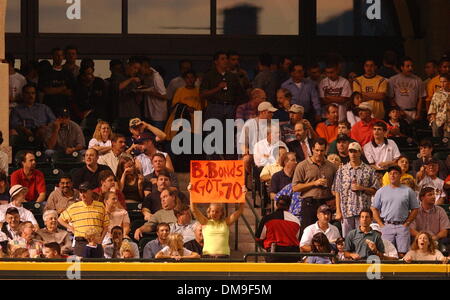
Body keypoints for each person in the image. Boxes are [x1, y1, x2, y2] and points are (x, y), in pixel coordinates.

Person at [371, 166, 420, 256]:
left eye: (395, 173)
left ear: (400, 175)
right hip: (387, 225)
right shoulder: (381, 191)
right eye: (390, 174)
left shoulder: (408, 191)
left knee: (403, 254)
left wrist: (407, 223)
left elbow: (415, 209)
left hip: (402, 225)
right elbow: (374, 209)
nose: (392, 175)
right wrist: (381, 224)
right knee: (387, 253)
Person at [333, 142, 379, 237]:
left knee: (362, 238)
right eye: (350, 152)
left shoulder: (369, 170)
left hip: (363, 212)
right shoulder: (341, 170)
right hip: (346, 211)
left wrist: (361, 188)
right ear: (348, 153)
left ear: (360, 153)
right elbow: (337, 191)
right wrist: (338, 211)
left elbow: (375, 190)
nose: (353, 154)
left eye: (355, 151)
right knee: (347, 239)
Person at [292, 138, 338, 230]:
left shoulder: (332, 167)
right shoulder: (302, 165)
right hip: (309, 203)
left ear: (326, 150)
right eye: (317, 150)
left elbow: (337, 187)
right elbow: (295, 187)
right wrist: (314, 183)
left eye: (322, 150)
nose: (319, 153)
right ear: (312, 149)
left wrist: (334, 199)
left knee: (326, 230)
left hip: (326, 203)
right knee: (308, 230)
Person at [58, 182, 110, 256]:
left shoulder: (100, 206)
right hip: (81, 242)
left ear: (91, 192)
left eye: (85, 191)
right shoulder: (74, 207)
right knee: (81, 266)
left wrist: (101, 239)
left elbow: (106, 225)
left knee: (98, 266)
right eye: (81, 192)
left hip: (96, 241)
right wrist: (71, 228)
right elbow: (60, 219)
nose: (82, 194)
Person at [190, 194, 245, 258]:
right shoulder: (205, 222)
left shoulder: (226, 222)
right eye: (212, 211)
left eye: (217, 212)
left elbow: (240, 211)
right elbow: (193, 209)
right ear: (209, 212)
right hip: (208, 257)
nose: (214, 213)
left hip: (224, 257)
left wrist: (243, 194)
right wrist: (191, 193)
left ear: (221, 213)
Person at [200, 51, 246, 124]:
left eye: (226, 59)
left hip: (230, 108)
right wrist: (218, 88)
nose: (225, 61)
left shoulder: (232, 76)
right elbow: (203, 94)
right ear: (216, 61)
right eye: (222, 59)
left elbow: (239, 93)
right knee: (214, 134)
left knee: (229, 134)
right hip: (214, 107)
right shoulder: (209, 75)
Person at [255, 195, 301, 262]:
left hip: (274, 253)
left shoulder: (267, 218)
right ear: (289, 206)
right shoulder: (296, 220)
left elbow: (258, 238)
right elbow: (297, 238)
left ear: (276, 204)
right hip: (292, 254)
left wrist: (266, 247)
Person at [388, 57, 426, 123]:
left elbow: (420, 98)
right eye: (407, 66)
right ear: (402, 67)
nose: (410, 68)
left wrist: (418, 113)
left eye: (411, 66)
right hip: (398, 112)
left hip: (413, 111)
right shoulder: (393, 80)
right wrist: (399, 111)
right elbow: (391, 98)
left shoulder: (418, 80)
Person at [110, 57, 142, 133]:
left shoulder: (136, 79)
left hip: (134, 113)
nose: (136, 71)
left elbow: (139, 100)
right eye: (134, 68)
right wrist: (131, 79)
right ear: (128, 66)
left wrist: (139, 92)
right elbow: (118, 87)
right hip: (122, 113)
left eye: (138, 69)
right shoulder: (119, 76)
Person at [39, 47, 75, 114]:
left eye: (61, 55)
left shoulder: (68, 73)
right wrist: (63, 88)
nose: (59, 57)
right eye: (57, 55)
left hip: (64, 106)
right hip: (49, 107)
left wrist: (55, 90)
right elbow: (47, 91)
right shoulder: (46, 72)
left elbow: (70, 92)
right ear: (52, 56)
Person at [139, 56, 168, 131]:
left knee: (157, 139)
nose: (138, 70)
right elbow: (152, 88)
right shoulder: (147, 76)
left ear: (145, 66)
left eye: (139, 68)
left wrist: (147, 91)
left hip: (158, 116)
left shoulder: (156, 77)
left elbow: (164, 96)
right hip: (150, 113)